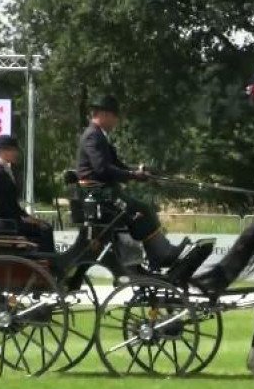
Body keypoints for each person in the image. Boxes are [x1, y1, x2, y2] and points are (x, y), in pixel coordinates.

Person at [76, 94, 202, 271]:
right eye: (115, 116)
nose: (116, 121)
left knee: (142, 211)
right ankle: (160, 253)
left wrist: (139, 171)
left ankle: (152, 255)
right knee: (143, 210)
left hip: (105, 193)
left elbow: (117, 165)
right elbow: (101, 169)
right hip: (99, 195)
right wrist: (132, 175)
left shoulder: (99, 136)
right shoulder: (93, 136)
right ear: (104, 114)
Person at [0, 135, 55, 252]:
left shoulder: (7, 170)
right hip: (4, 223)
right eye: (13, 150)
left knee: (45, 225)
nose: (16, 153)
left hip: (12, 221)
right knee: (45, 230)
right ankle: (48, 263)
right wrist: (21, 219)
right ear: (2, 151)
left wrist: (28, 217)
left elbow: (13, 204)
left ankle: (46, 261)